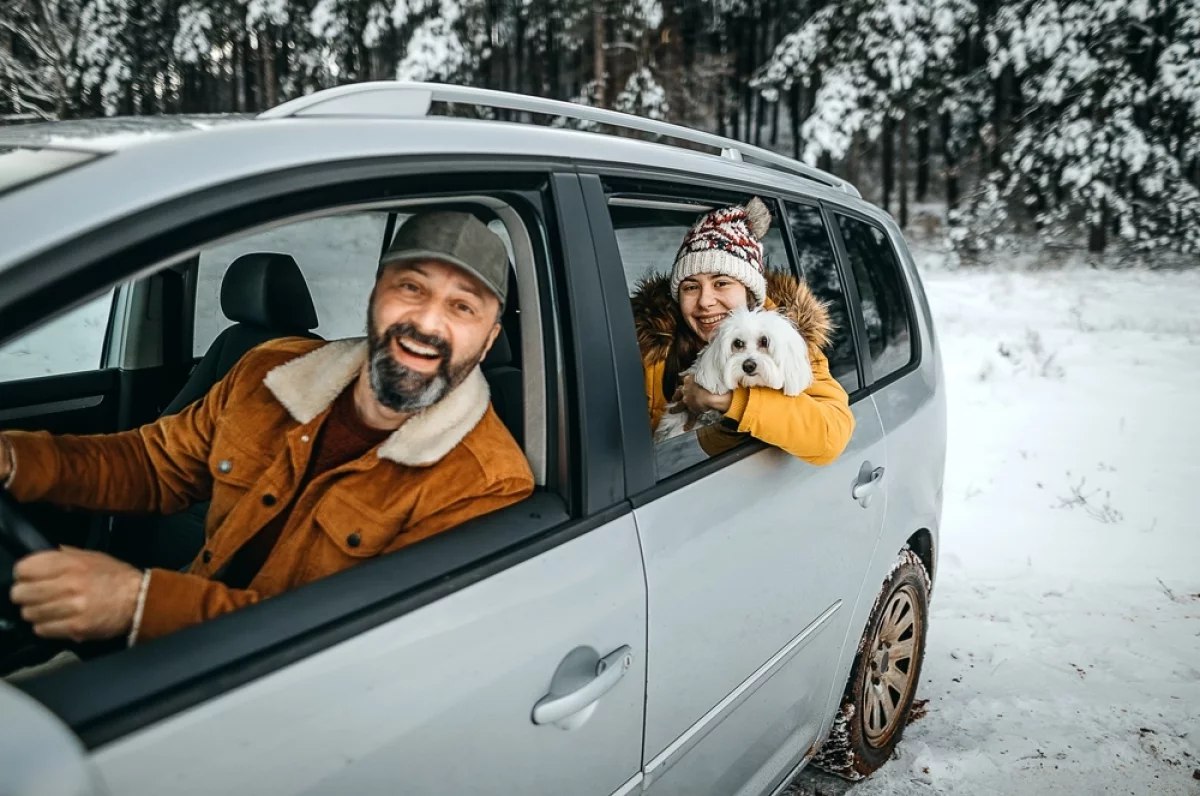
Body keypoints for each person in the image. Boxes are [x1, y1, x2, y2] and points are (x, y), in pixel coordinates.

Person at [1, 210, 534, 647]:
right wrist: (16, 459)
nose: (426, 322)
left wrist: (138, 605)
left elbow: (355, 641)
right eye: (411, 287)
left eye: (462, 306)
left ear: (488, 342)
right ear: (374, 297)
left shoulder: (485, 483)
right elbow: (153, 464)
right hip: (172, 647)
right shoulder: (269, 370)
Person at [631, 197, 854, 464]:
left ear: (750, 292)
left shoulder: (786, 340)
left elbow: (830, 437)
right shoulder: (643, 342)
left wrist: (728, 401)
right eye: (691, 287)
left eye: (721, 283)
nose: (705, 301)